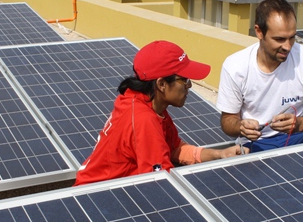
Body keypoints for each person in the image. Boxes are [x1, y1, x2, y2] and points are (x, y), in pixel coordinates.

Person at [75, 40, 244, 185]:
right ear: (162, 84)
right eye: (184, 80)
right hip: (99, 198)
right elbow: (161, 183)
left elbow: (174, 149)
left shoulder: (147, 103)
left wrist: (220, 154)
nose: (189, 86)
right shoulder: (143, 120)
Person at [217, 0, 303, 152]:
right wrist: (240, 126)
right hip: (258, 143)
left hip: (301, 135)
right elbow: (227, 120)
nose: (287, 46)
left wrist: (299, 123)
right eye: (279, 39)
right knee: (246, 162)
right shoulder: (235, 66)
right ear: (259, 32)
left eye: (292, 37)